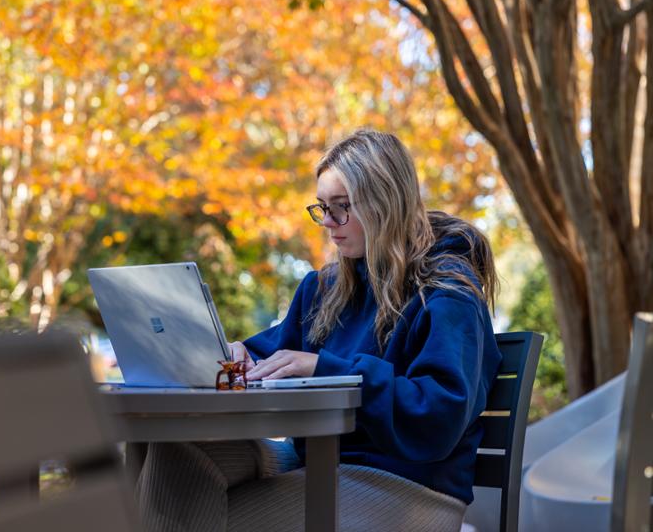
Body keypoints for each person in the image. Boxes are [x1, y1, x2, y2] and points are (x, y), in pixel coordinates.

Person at [136, 128, 502, 531]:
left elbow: (439, 415)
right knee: (175, 451)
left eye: (341, 207)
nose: (327, 223)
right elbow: (277, 353)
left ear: (386, 202)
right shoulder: (324, 289)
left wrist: (326, 370)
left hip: (407, 482)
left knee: (194, 512)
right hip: (320, 461)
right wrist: (240, 355)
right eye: (322, 207)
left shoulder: (447, 290)